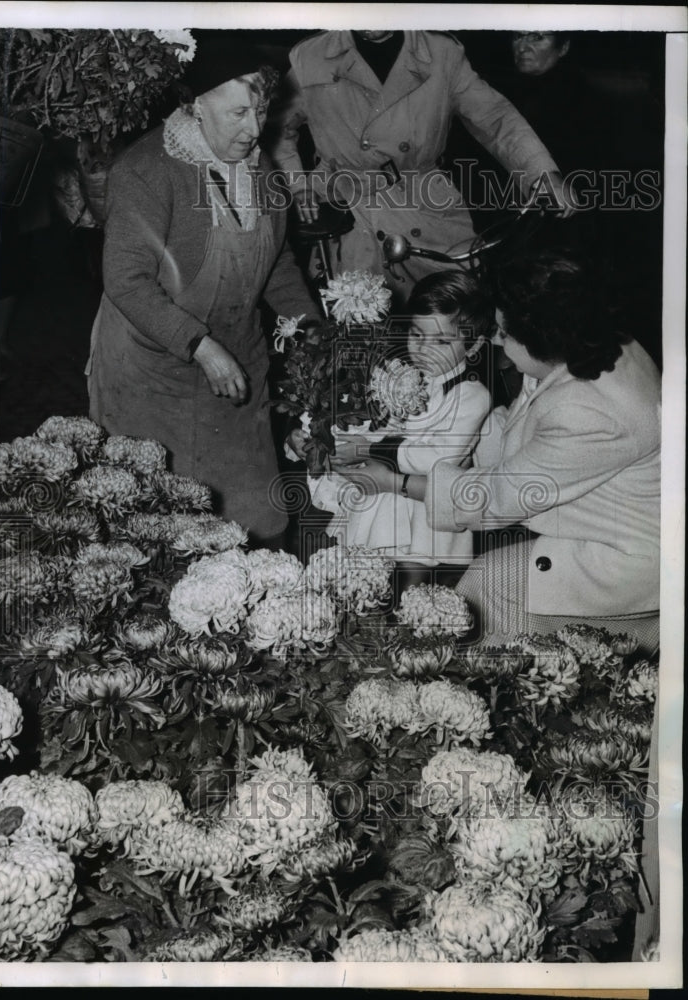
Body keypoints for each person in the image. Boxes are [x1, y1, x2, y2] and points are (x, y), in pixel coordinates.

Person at [331, 250, 660, 651]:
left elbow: (495, 499)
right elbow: (523, 432)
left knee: (478, 602)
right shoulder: (596, 344)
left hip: (628, 561)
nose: (494, 338)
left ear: (542, 338)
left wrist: (393, 482)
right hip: (605, 528)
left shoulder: (590, 411)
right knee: (476, 594)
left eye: (505, 331)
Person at [86, 37, 323, 546]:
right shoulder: (147, 171)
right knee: (158, 533)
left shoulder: (262, 172)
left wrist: (310, 329)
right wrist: (202, 346)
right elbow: (127, 281)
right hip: (151, 377)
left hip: (238, 368)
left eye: (260, 111)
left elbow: (277, 264)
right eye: (237, 112)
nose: (253, 129)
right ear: (194, 104)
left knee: (254, 520)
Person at [270, 30, 576, 306]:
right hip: (350, 206)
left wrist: (542, 174)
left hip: (426, 203)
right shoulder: (311, 56)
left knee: (461, 311)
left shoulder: (442, 52)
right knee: (361, 323)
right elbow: (278, 129)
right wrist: (297, 185)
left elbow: (495, 117)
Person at [301, 271, 492, 579]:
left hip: (424, 512)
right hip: (381, 502)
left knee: (409, 588)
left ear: (473, 346)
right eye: (417, 335)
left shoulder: (471, 395)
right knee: (362, 576)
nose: (425, 350)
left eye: (442, 341)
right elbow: (376, 423)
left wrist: (368, 449)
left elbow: (438, 458)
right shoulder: (399, 374)